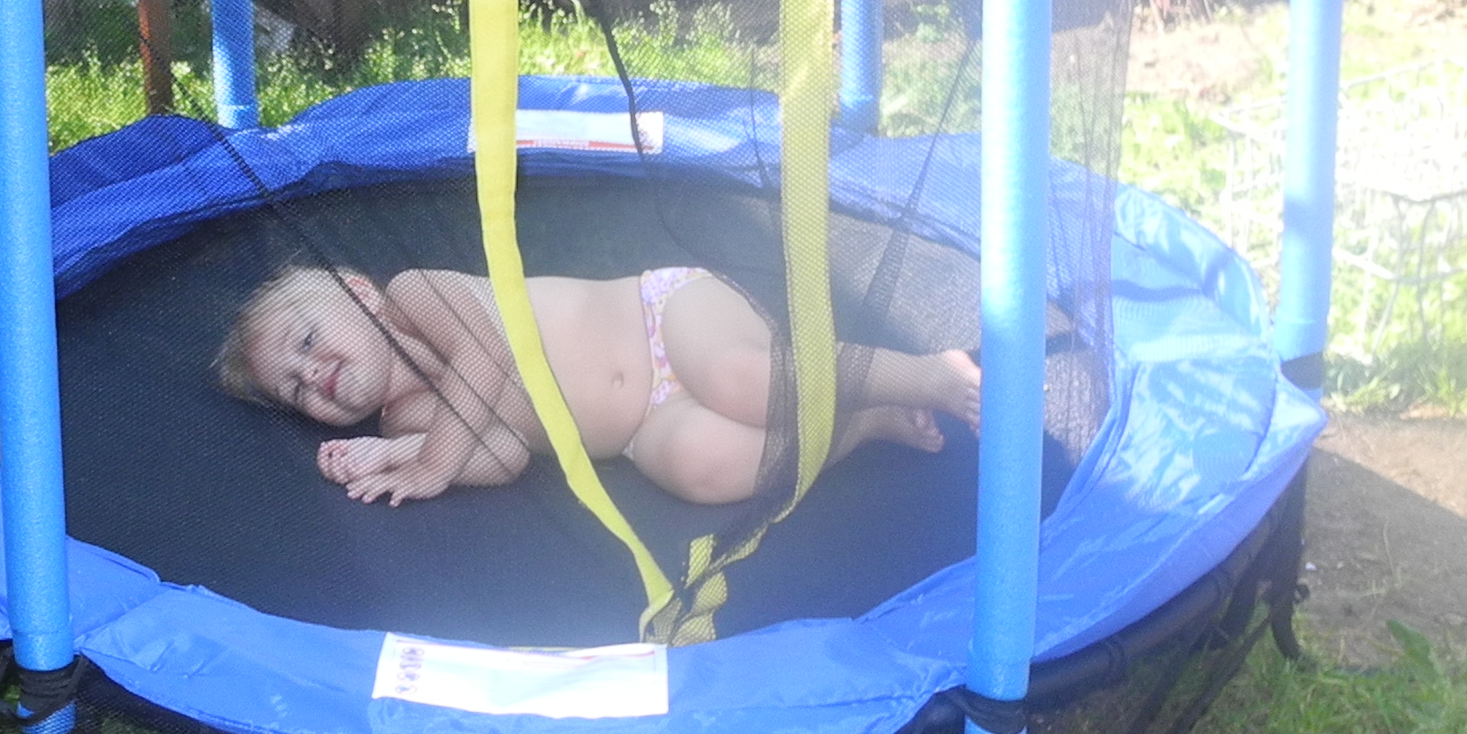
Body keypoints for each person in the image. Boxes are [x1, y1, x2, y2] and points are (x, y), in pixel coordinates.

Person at [214, 261, 981, 508]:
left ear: (357, 290)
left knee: (739, 379)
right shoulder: (405, 418)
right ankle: (866, 419)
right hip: (643, 429)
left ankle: (929, 374)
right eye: (296, 390)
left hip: (662, 320)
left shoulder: (415, 294)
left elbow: (486, 355)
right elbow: (506, 453)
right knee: (706, 470)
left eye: (306, 342)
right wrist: (396, 454)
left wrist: (428, 466)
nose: (314, 375)